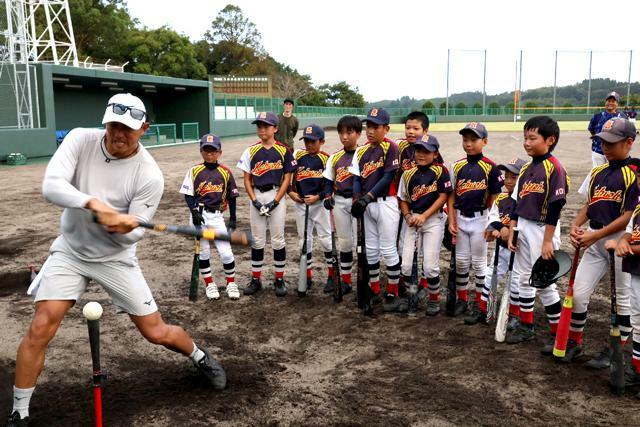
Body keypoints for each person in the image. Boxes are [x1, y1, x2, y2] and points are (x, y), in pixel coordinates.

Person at [7, 93, 226, 426]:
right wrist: (94, 204)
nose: (117, 135)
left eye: (127, 128)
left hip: (116, 257)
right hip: (70, 250)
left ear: (144, 129)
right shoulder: (81, 139)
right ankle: (19, 412)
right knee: (40, 326)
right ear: (105, 121)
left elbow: (133, 235)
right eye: (113, 125)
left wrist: (123, 227)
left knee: (156, 332)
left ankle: (199, 356)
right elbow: (51, 186)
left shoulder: (148, 175)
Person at [563, 118, 637, 365]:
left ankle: (613, 350)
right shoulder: (597, 172)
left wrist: (595, 234)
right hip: (594, 239)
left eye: (611, 142)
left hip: (621, 240)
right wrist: (576, 225)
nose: (605, 147)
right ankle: (574, 341)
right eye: (602, 142)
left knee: (622, 299)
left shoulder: (633, 174)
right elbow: (589, 205)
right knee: (579, 295)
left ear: (629, 142)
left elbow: (628, 215)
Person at [506, 116, 567, 350]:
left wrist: (548, 241)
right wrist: (512, 230)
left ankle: (558, 333)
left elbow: (555, 206)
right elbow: (515, 202)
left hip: (543, 229)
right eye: (525, 138)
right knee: (523, 278)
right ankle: (526, 325)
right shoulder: (526, 169)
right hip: (523, 225)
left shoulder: (554, 168)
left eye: (532, 138)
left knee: (544, 283)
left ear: (549, 140)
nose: (527, 143)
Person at [447, 122, 504, 319]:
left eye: (473, 139)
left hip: (481, 218)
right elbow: (451, 195)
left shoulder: (491, 167)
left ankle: (481, 301)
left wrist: (492, 221)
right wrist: (451, 220)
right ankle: (462, 299)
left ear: (485, 141)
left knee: (480, 263)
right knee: (462, 262)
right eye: (465, 140)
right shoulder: (457, 166)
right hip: (461, 218)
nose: (468, 144)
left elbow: (497, 197)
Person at [237, 111, 296, 296]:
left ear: (275, 128)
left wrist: (276, 201)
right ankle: (256, 279)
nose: (261, 129)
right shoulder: (250, 150)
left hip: (275, 195)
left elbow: (287, 178)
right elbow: (246, 179)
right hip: (257, 195)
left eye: (266, 125)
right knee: (258, 241)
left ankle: (279, 279)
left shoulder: (284, 150)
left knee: (278, 240)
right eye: (259, 125)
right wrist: (254, 200)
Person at [349, 107, 402, 312]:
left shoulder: (391, 147)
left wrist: (367, 197)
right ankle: (374, 289)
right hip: (365, 204)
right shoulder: (361, 150)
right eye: (368, 126)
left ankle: (393, 292)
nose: (370, 130)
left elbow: (388, 177)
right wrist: (356, 199)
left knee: (388, 249)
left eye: (375, 126)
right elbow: (356, 177)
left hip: (386, 202)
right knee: (370, 251)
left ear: (386, 128)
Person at [179, 133, 240, 300]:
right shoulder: (194, 170)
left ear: (219, 152)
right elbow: (188, 194)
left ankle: (231, 283)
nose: (209, 154)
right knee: (204, 252)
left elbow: (232, 197)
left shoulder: (225, 172)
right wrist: (194, 212)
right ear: (201, 151)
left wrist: (233, 218)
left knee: (226, 253)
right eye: (206, 150)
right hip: (199, 216)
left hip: (217, 217)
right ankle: (209, 284)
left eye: (213, 151)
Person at [398, 134, 452, 316]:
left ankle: (434, 300)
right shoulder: (408, 173)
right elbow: (403, 199)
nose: (421, 154)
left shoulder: (440, 171)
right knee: (405, 265)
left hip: (433, 220)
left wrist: (424, 216)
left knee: (430, 266)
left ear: (435, 154)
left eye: (426, 151)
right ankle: (412, 297)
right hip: (413, 221)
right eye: (418, 150)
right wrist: (407, 215)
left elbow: (443, 196)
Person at [288, 124, 333, 295]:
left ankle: (331, 275)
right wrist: (290, 192)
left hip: (319, 205)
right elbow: (287, 175)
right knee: (304, 241)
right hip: (301, 204)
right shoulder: (297, 155)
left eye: (312, 141)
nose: (308, 144)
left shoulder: (327, 159)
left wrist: (319, 197)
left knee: (326, 240)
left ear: (321, 141)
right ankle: (306, 276)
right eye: (306, 141)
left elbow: (330, 185)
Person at [480, 158, 525, 329]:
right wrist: (499, 227)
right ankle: (484, 307)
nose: (508, 181)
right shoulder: (501, 198)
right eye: (506, 176)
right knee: (491, 275)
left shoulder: (524, 199)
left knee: (515, 282)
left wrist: (508, 230)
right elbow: (492, 216)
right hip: (501, 249)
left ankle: (514, 313)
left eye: (514, 177)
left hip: (518, 250)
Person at [607, 158, 640, 389]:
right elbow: (629, 232)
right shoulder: (638, 206)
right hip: (636, 269)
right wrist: (623, 242)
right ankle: (637, 369)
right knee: (638, 321)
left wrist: (626, 247)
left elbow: (629, 243)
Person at [322, 115, 361, 294]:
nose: (344, 137)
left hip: (359, 204)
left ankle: (365, 279)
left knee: (361, 244)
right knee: (345, 243)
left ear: (358, 133)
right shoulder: (335, 157)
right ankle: (346, 281)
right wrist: (328, 195)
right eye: (341, 133)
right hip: (340, 202)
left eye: (349, 132)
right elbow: (328, 181)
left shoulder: (365, 154)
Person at [588, 91, 626, 167]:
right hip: (598, 152)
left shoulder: (623, 117)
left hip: (615, 152)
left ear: (617, 103)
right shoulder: (597, 116)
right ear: (605, 102)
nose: (610, 103)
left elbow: (626, 133)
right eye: (608, 101)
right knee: (598, 174)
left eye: (613, 101)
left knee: (614, 175)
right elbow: (591, 129)